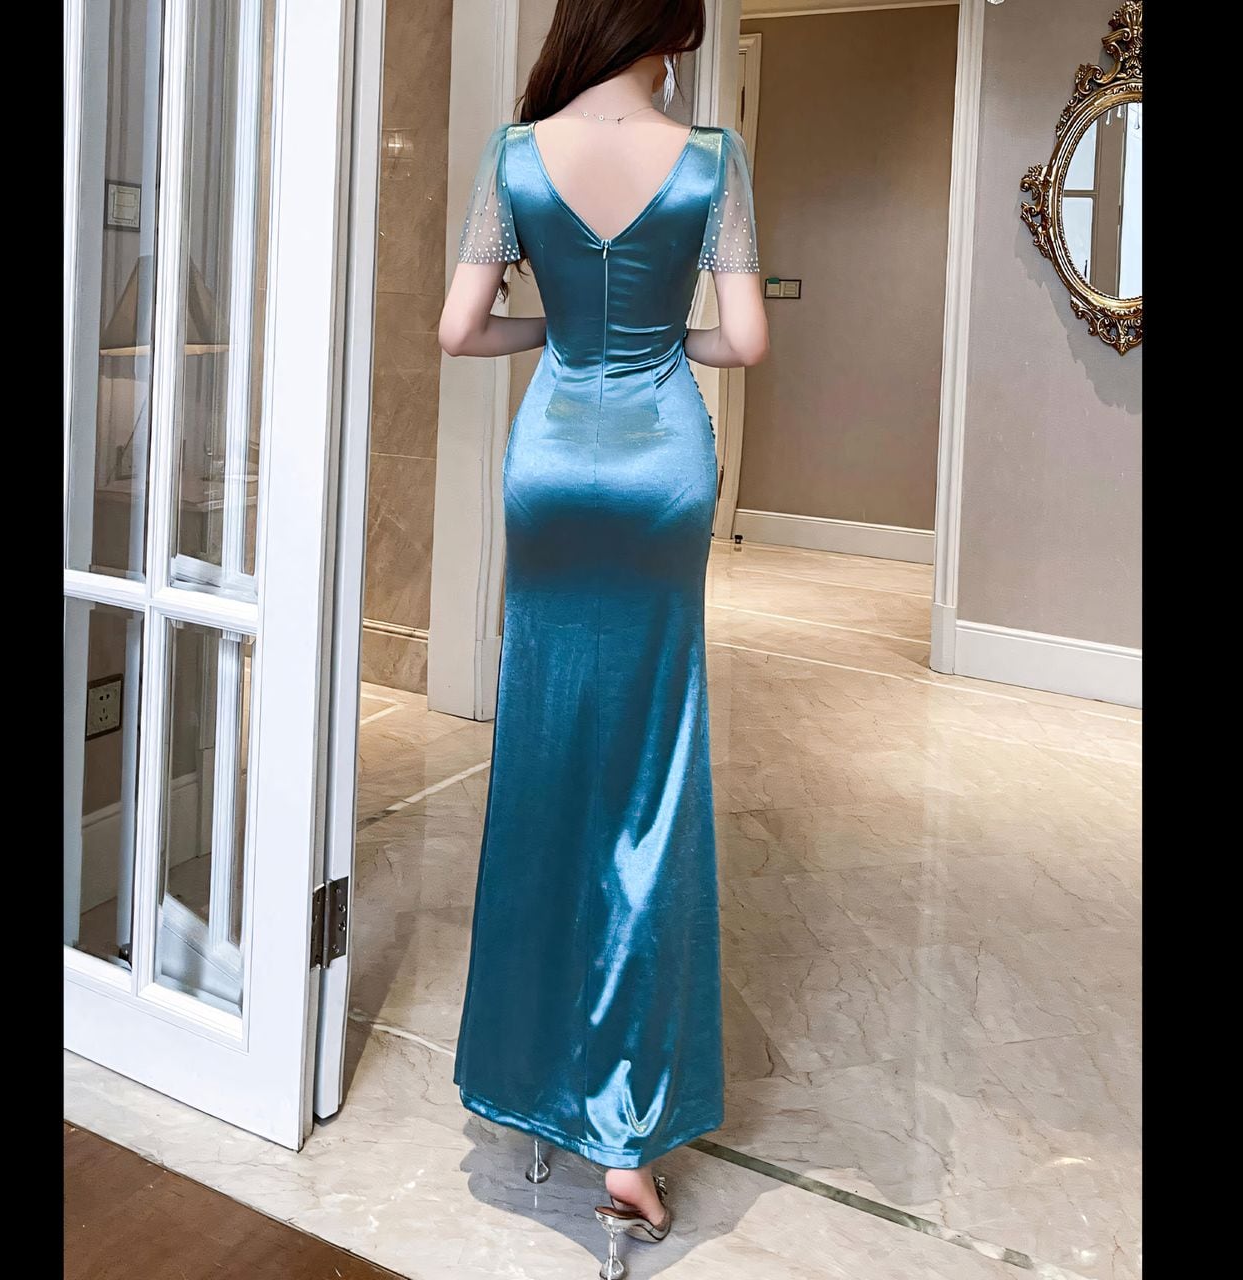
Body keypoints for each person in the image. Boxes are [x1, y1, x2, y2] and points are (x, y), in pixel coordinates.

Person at [439, 2, 767, 1274]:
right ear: (668, 35)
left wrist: (558, 335)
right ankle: (624, 1141)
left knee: (543, 761)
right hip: (660, 466)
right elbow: (744, 339)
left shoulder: (514, 154)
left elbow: (460, 328)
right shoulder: (711, 159)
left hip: (552, 458)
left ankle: (531, 1093)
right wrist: (659, 341)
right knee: (647, 777)